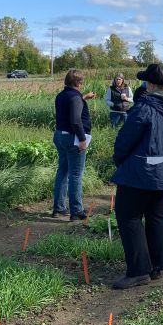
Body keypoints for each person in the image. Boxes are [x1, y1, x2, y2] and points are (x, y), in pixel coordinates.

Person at [111, 64, 163, 289]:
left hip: (141, 171)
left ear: (151, 84)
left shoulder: (145, 107)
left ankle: (138, 271)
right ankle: (156, 266)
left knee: (128, 215)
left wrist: (119, 160)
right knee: (157, 215)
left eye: (146, 81)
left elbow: (125, 140)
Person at [53, 69, 95, 221]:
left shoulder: (61, 95)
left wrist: (84, 98)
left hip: (60, 136)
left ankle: (58, 208)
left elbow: (72, 105)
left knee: (62, 172)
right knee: (75, 175)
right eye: (82, 83)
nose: (82, 85)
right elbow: (76, 120)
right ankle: (76, 211)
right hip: (73, 139)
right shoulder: (75, 97)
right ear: (77, 83)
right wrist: (82, 139)